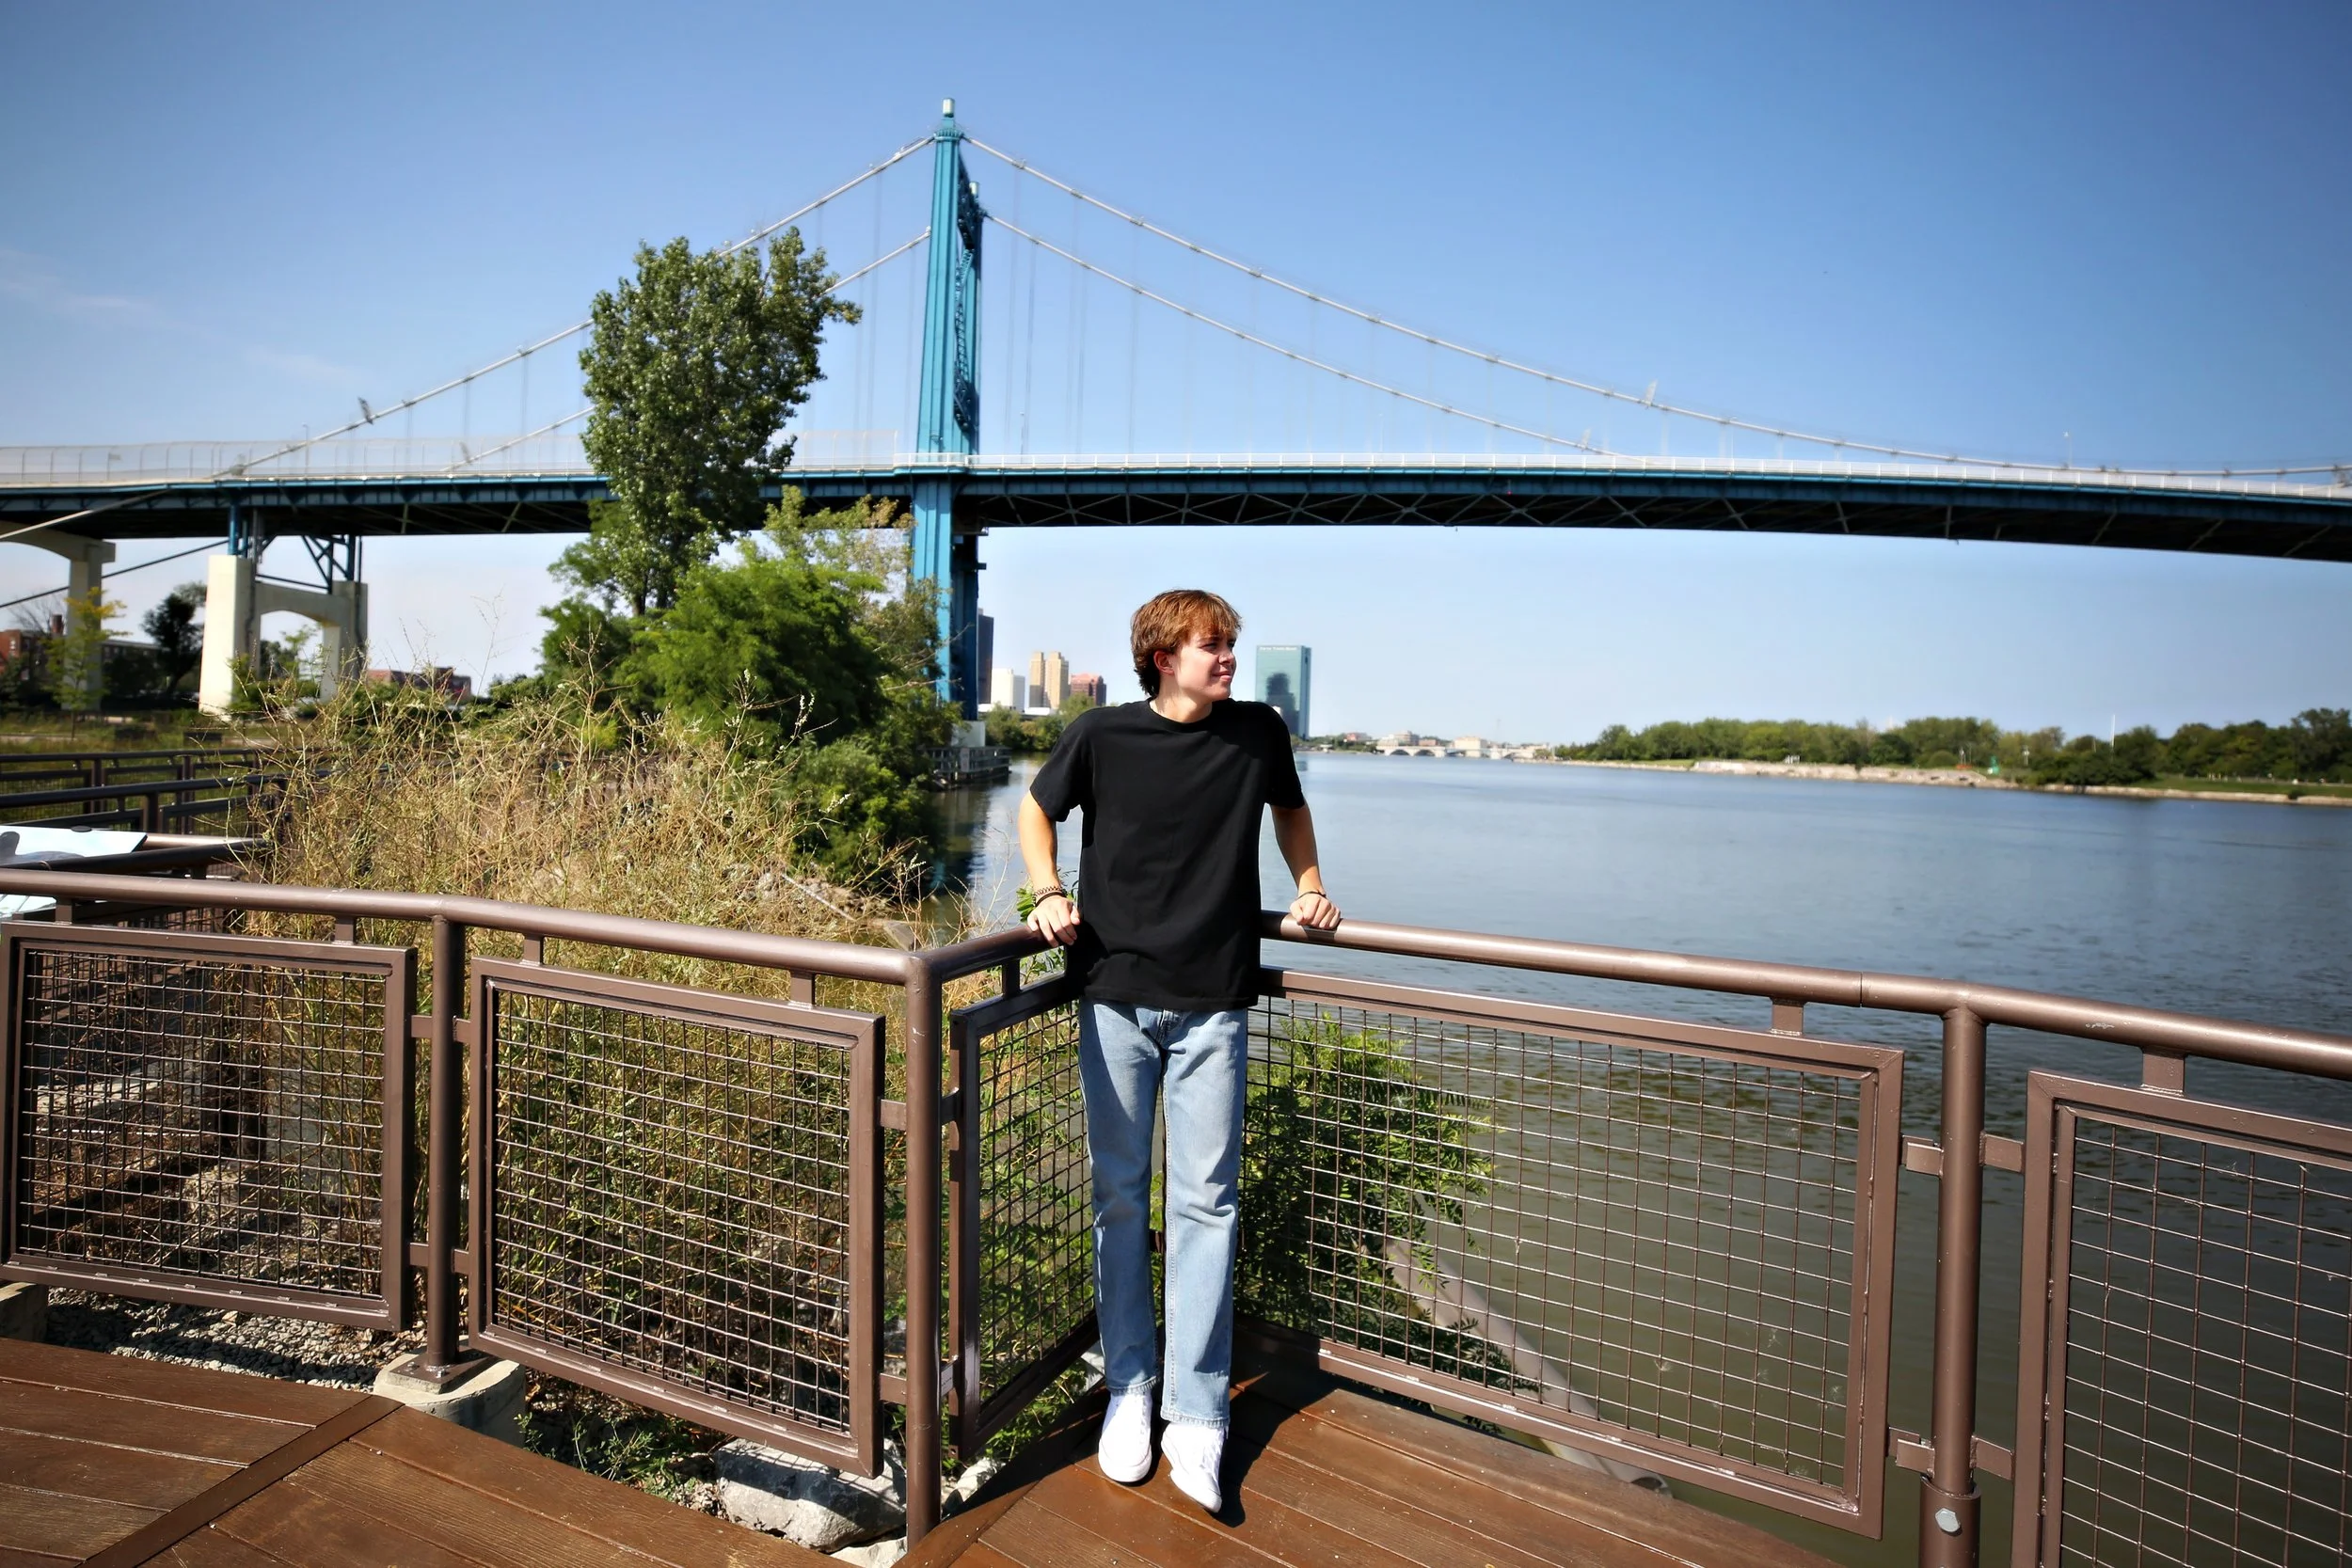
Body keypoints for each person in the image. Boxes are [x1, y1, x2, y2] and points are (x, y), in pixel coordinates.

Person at [1019, 588, 1341, 1515]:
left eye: (1231, 642)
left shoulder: (1257, 731)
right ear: (1164, 654)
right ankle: (1129, 1386)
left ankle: (1196, 1415)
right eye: (1213, 643)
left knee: (1207, 1203)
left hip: (1213, 1001)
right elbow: (1036, 813)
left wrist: (1311, 883)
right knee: (1120, 1198)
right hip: (1113, 992)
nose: (1229, 656)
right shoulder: (1101, 735)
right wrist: (1045, 891)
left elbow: (1290, 810)